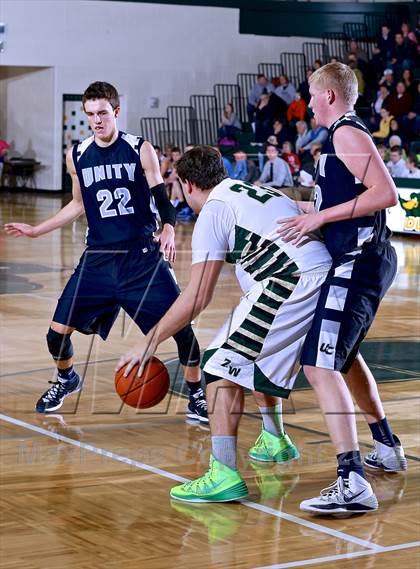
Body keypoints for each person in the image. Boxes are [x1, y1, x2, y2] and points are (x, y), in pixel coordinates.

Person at [117, 145, 332, 502]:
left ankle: (224, 473)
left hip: (292, 282)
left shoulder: (214, 211)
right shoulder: (257, 190)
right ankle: (275, 439)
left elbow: (198, 296)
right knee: (252, 351)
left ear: (186, 184)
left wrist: (149, 342)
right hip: (320, 277)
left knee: (217, 365)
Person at [4, 81, 207, 422]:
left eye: (102, 113)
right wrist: (38, 230)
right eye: (90, 115)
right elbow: (78, 204)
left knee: (182, 330)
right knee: (56, 335)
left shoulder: (140, 149)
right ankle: (67, 379)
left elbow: (162, 200)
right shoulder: (78, 154)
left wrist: (169, 227)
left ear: (116, 111)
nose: (96, 121)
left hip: (141, 258)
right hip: (97, 259)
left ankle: (197, 394)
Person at [277, 63, 407, 514]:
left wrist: (319, 219)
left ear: (329, 96)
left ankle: (351, 479)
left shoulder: (346, 134)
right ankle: (385, 446)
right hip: (358, 260)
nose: (308, 102)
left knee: (317, 363)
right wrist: (283, 204)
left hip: (360, 260)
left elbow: (385, 194)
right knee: (344, 357)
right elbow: (327, 203)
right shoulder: (335, 141)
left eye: (312, 95)